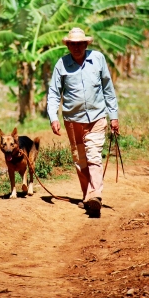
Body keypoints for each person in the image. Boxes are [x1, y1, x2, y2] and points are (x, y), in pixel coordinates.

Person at [47, 27, 119, 216]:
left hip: (96, 118)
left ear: (86, 44)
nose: (76, 47)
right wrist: (53, 117)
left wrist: (114, 116)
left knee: (93, 155)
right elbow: (54, 93)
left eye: (80, 44)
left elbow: (108, 89)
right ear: (68, 45)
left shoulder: (98, 59)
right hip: (73, 121)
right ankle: (87, 196)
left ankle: (96, 195)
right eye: (73, 44)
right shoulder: (61, 65)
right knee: (80, 159)